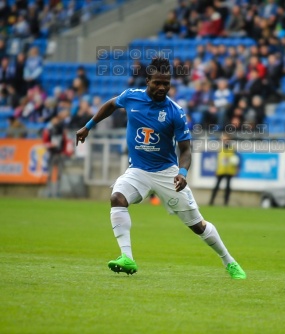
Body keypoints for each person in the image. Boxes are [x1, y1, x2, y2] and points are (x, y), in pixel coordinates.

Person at [75, 57, 246, 280]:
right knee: (117, 197)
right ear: (148, 80)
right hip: (138, 171)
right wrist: (88, 126)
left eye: (166, 83)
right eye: (157, 83)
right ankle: (127, 257)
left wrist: (182, 173)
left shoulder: (175, 112)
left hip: (167, 173)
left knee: (197, 226)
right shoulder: (131, 97)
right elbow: (110, 104)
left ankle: (229, 261)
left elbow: (185, 150)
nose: (162, 87)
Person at [209, 133, 239, 206]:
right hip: (221, 170)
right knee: (216, 186)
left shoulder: (232, 149)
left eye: (226, 139)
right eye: (224, 139)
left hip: (229, 170)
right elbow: (218, 160)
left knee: (228, 187)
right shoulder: (220, 148)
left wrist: (236, 168)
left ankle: (226, 202)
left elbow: (236, 159)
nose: (225, 141)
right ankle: (211, 201)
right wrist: (216, 169)